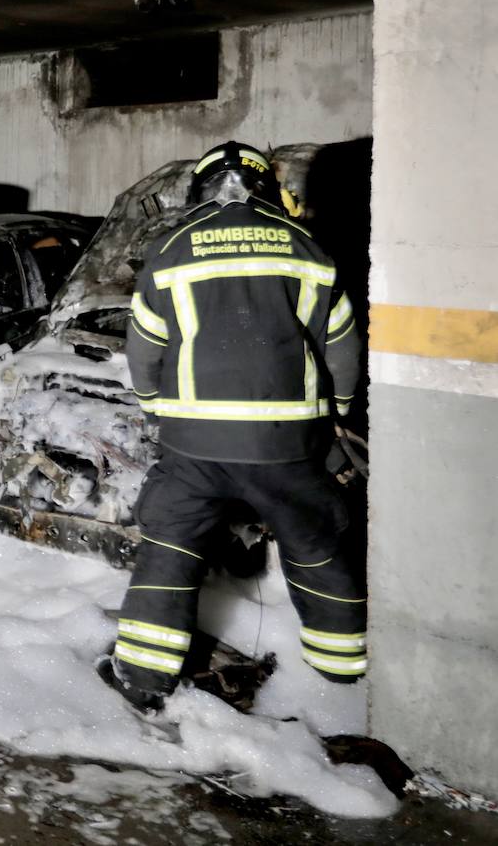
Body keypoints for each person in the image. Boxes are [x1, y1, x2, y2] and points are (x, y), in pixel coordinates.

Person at [99, 141, 365, 712]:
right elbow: (341, 345)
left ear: (197, 191)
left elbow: (144, 347)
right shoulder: (306, 249)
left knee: (168, 551)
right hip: (289, 446)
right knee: (315, 543)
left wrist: (154, 405)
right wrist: (337, 407)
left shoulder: (169, 251)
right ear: (270, 188)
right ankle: (341, 667)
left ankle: (143, 678)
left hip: (193, 449)